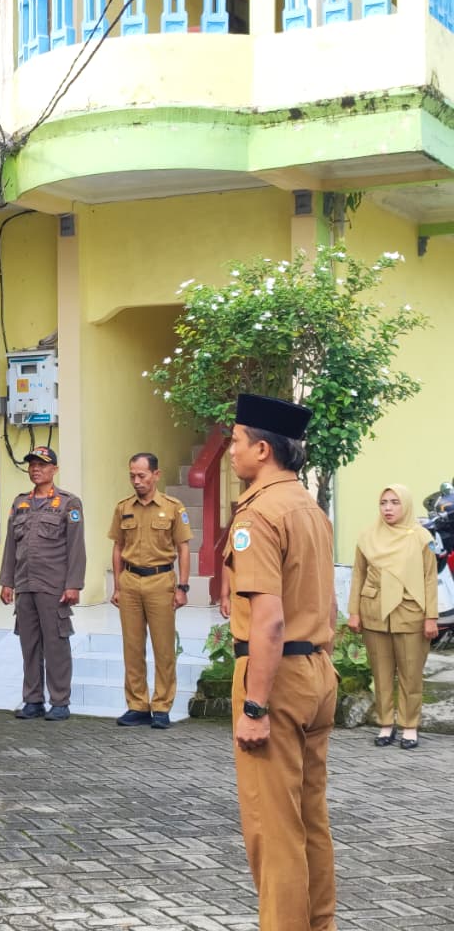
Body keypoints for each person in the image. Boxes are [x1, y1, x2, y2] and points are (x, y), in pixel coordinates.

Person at [224, 393, 337, 931]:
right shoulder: (310, 508)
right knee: (310, 819)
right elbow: (324, 601)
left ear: (263, 450)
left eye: (236, 441)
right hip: (316, 671)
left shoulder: (259, 513)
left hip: (275, 676)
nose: (231, 450)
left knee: (274, 829)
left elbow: (268, 621)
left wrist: (255, 705)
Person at [347, 483, 439, 749]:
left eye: (395, 502)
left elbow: (429, 578)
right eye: (383, 502)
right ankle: (386, 724)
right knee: (381, 674)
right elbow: (358, 574)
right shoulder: (367, 536)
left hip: (410, 612)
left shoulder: (421, 537)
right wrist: (354, 612)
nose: (388, 508)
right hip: (374, 612)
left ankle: (410, 726)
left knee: (411, 674)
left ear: (406, 505)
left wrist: (431, 617)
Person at [0, 446, 86, 721]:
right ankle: (33, 700)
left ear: (54, 470)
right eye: (32, 465)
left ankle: (60, 701)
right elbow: (11, 546)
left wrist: (73, 584)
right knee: (30, 645)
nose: (36, 469)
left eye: (42, 465)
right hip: (25, 585)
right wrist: (7, 581)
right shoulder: (20, 503)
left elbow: (76, 547)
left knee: (56, 644)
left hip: (53, 586)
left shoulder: (69, 503)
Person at [108, 452, 192, 729]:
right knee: (132, 647)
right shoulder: (123, 508)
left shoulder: (173, 507)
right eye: (132, 475)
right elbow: (118, 547)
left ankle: (161, 706)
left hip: (160, 581)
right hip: (130, 581)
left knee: (163, 648)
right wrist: (118, 586)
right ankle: (137, 705)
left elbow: (183, 548)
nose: (136, 481)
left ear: (156, 475)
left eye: (142, 475)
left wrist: (182, 587)